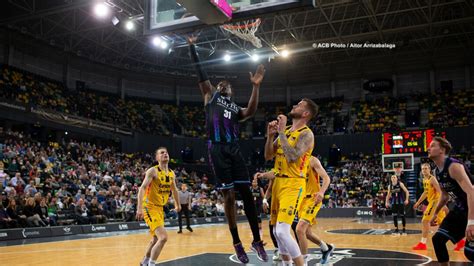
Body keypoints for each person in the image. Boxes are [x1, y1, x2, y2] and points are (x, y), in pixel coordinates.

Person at [187, 35, 267, 263]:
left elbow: (251, 111)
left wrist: (256, 87)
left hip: (234, 150)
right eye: (220, 83)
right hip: (217, 149)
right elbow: (201, 73)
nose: (222, 85)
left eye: (226, 84)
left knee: (248, 197)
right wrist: (193, 47)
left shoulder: (233, 107)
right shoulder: (210, 96)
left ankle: (256, 241)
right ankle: (237, 243)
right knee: (229, 197)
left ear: (230, 90)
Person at [262, 98, 318, 266]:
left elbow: (293, 157)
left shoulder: (306, 134)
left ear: (306, 113)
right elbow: (268, 156)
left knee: (282, 230)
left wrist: (279, 132)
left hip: (293, 183)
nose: (294, 106)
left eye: (299, 105)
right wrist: (270, 136)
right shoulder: (285, 131)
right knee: (276, 231)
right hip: (278, 182)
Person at [427, 137, 474, 264]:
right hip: (461, 209)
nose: (428, 148)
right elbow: (444, 195)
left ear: (442, 150)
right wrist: (435, 213)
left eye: (432, 146)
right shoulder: (437, 172)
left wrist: (471, 222)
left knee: (470, 253)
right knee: (438, 239)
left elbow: (471, 192)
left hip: (472, 208)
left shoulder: (453, 166)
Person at [136, 147, 180, 266]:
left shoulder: (171, 173)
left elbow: (174, 190)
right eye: (162, 153)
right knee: (163, 237)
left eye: (166, 152)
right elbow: (142, 188)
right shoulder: (152, 171)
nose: (165, 153)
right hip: (149, 207)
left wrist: (177, 204)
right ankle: (151, 264)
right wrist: (139, 208)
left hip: (159, 209)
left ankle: (144, 262)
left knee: (155, 239)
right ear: (157, 158)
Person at [295, 156, 334, 265]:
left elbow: (326, 178)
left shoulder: (312, 160)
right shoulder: (294, 162)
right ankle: (326, 248)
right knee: (307, 233)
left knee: (299, 229)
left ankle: (303, 262)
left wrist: (321, 192)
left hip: (313, 198)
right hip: (301, 201)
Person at [412, 163, 448, 250]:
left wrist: (443, 204)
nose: (424, 170)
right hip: (432, 202)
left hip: (436, 202)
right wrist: (418, 202)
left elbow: (440, 192)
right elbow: (425, 192)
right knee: (444, 225)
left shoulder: (432, 179)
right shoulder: (425, 179)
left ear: (429, 170)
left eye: (426, 168)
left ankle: (422, 244)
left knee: (425, 221)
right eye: (422, 169)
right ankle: (461, 242)